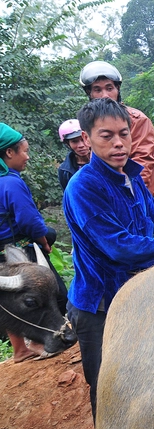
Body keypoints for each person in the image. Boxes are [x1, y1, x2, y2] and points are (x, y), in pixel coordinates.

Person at [63, 98, 154, 419]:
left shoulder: (132, 177)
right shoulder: (83, 187)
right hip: (100, 305)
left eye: (124, 134)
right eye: (107, 136)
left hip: (138, 293)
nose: (119, 143)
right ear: (87, 140)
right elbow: (117, 246)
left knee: (145, 371)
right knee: (107, 385)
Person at [0, 123, 68, 362]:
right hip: (18, 251)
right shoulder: (10, 182)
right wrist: (44, 242)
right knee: (54, 294)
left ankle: (20, 350)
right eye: (24, 151)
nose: (27, 156)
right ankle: (52, 340)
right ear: (9, 152)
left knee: (9, 301)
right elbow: (30, 222)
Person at [79, 61, 154, 195]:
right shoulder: (90, 122)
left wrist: (132, 198)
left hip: (133, 195)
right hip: (105, 194)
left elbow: (142, 165)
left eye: (109, 88)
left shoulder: (137, 120)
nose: (104, 95)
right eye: (98, 90)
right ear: (90, 93)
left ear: (117, 90)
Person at [57, 119, 91, 190]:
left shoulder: (106, 162)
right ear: (67, 144)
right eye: (74, 141)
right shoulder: (64, 171)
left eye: (83, 139)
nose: (81, 145)